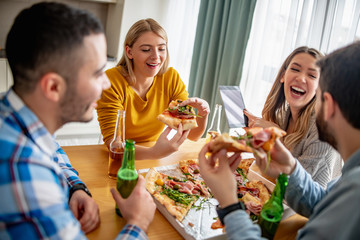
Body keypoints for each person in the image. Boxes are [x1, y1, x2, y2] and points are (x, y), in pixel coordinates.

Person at [0, 2, 155, 239]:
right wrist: (138, 222)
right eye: (96, 73)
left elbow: (51, 148)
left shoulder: (16, 114)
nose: (106, 83)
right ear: (53, 87)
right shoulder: (28, 179)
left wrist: (75, 187)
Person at [198, 41, 360, 239]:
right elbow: (323, 203)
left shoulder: (355, 193)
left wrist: (230, 206)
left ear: (330, 105)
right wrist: (290, 169)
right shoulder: (351, 179)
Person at [96, 18, 210, 160]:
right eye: (146, 49)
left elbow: (193, 135)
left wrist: (202, 113)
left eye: (161, 49)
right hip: (119, 160)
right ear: (129, 52)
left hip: (152, 158)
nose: (156, 56)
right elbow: (115, 146)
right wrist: (155, 153)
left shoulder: (171, 77)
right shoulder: (111, 81)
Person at [244, 46, 342, 187]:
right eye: (295, 69)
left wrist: (278, 141)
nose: (301, 78)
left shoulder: (324, 127)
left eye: (312, 75)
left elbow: (301, 188)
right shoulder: (283, 115)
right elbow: (272, 170)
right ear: (283, 75)